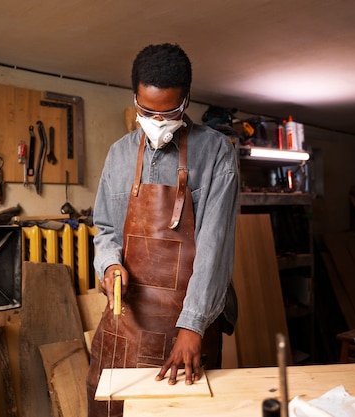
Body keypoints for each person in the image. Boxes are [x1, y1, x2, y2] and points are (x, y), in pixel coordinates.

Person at [86, 43, 239, 417]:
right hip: (126, 325)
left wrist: (193, 327)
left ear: (186, 100)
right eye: (145, 109)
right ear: (135, 96)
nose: (155, 120)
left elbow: (214, 248)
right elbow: (105, 228)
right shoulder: (119, 154)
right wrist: (109, 266)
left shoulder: (217, 153)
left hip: (186, 327)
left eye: (167, 112)